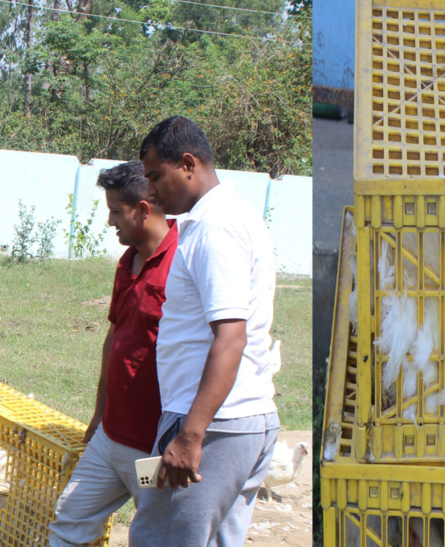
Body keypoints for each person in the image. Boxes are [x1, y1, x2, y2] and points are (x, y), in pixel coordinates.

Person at [128, 116, 279, 547]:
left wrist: (191, 435)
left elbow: (231, 336)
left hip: (214, 427)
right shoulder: (230, 216)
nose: (151, 191)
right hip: (237, 421)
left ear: (189, 164)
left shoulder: (216, 228)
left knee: (160, 539)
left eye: (156, 176)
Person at [49, 161, 176, 547]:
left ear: (143, 209)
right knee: (69, 520)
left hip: (152, 452)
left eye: (115, 211)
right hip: (110, 440)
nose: (108, 221)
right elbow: (115, 338)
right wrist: (100, 412)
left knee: (155, 534)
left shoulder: (183, 262)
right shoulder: (128, 261)